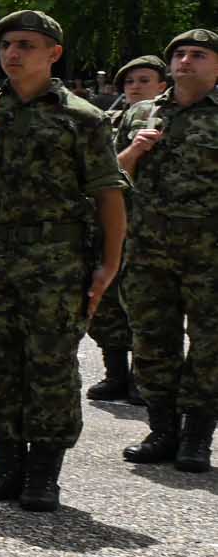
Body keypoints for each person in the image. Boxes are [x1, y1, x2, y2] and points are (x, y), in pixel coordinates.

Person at [0, 10, 125, 511]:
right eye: (5, 46)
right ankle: (5, 464)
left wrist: (110, 265)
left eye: (25, 44)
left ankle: (43, 473)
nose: (12, 54)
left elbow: (108, 193)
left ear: (52, 53)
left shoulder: (82, 117)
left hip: (55, 260)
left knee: (49, 364)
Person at [115, 29, 218, 473]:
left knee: (211, 345)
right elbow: (108, 175)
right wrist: (134, 153)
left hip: (210, 252)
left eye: (198, 55)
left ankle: (197, 436)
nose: (186, 61)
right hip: (147, 248)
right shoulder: (139, 113)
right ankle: (162, 429)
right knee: (152, 339)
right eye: (179, 54)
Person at [83, 56, 166, 402]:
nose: (135, 87)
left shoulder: (170, 118)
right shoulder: (112, 120)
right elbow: (107, 172)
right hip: (116, 222)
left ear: (162, 86)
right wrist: (135, 148)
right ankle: (115, 372)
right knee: (108, 305)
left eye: (144, 80)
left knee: (146, 306)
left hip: (155, 229)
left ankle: (139, 379)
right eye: (130, 81)